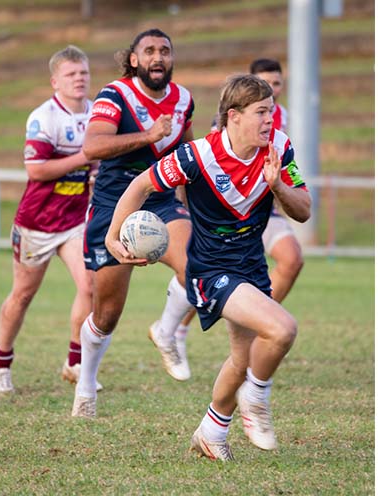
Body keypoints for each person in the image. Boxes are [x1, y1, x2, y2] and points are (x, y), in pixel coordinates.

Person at [105, 74, 311, 460]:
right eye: (261, 112)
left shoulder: (279, 148)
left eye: (271, 111)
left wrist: (278, 186)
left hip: (251, 265)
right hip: (211, 270)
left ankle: (211, 434)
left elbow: (304, 209)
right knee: (282, 329)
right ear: (234, 116)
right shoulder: (197, 155)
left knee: (243, 358)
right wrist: (113, 236)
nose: (270, 119)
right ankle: (256, 398)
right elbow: (141, 186)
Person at [71, 28, 195, 418]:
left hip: (161, 201)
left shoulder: (183, 100)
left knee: (197, 266)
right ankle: (86, 384)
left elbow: (187, 152)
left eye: (165, 50)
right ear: (134, 59)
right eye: (150, 50)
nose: (159, 57)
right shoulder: (115, 95)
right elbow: (93, 146)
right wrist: (148, 135)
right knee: (106, 315)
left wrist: (193, 203)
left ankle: (166, 331)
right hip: (114, 207)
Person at [174, 58, 304, 361]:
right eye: (265, 84)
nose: (272, 89)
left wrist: (278, 186)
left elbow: (298, 195)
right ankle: (179, 326)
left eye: (277, 84)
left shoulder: (281, 121)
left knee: (292, 258)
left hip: (265, 205)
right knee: (205, 267)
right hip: (230, 209)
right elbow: (211, 165)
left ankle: (262, 319)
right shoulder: (227, 126)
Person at [0, 45, 101, 393]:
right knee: (23, 295)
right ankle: (1, 364)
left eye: (83, 72)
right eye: (71, 74)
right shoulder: (44, 117)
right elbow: (36, 170)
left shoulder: (98, 113)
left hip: (76, 220)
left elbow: (99, 161)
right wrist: (84, 157)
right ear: (55, 81)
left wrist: (97, 170)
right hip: (36, 222)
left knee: (90, 286)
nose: (79, 79)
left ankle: (75, 362)